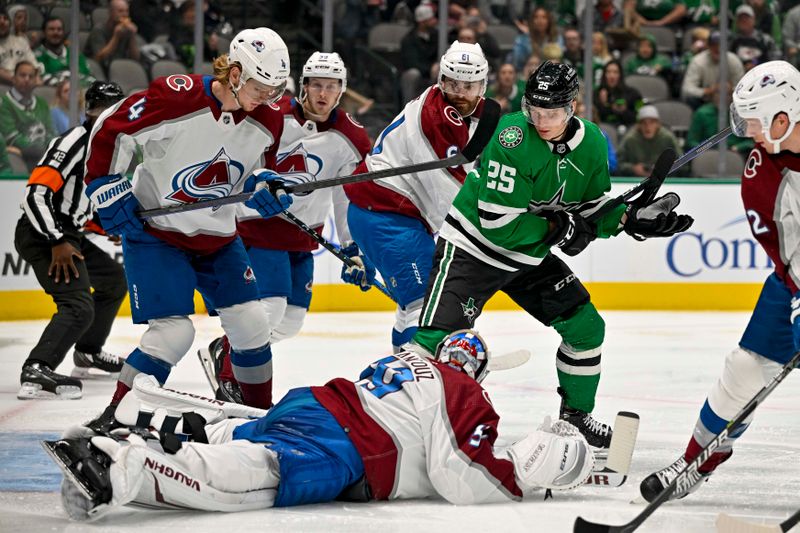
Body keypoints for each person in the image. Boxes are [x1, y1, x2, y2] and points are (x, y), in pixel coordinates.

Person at [410, 61, 693, 457]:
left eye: (553, 113)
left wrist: (630, 220)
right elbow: (496, 221)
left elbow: (591, 210)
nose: (542, 121)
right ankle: (394, 420)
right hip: (473, 249)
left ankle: (576, 417)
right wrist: (561, 229)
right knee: (433, 344)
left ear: (572, 107)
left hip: (528, 256)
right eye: (535, 111)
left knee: (586, 329)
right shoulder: (512, 136)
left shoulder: (592, 143)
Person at [48, 330, 596, 519]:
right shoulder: (463, 390)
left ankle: (149, 423)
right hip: (343, 443)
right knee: (256, 474)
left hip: (314, 402)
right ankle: (122, 464)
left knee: (252, 431)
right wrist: (527, 479)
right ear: (474, 370)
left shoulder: (404, 361)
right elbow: (464, 475)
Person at [82, 28, 292, 423]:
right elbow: (113, 127)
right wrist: (105, 184)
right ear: (234, 73)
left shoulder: (269, 119)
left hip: (218, 239)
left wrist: (266, 184)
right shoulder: (178, 97)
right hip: (157, 235)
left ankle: (258, 417)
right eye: (261, 87)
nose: (269, 98)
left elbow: (263, 167)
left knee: (252, 326)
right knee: (174, 334)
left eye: (275, 89)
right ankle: (116, 416)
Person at [640, 60, 800, 502]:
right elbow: (787, 256)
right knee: (745, 370)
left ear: (783, 117)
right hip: (795, 280)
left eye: (755, 124)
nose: (749, 135)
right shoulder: (761, 177)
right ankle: (696, 459)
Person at [204, 51, 372, 402]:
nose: (323, 94)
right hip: (259, 228)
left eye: (332, 87)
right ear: (304, 86)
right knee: (270, 308)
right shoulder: (272, 116)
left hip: (302, 235)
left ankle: (227, 346)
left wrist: (352, 247)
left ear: (341, 91)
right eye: (317, 85)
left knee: (290, 322)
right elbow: (238, 158)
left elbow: (344, 195)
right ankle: (231, 373)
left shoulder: (351, 138)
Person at [342, 40, 491, 352]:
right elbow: (447, 198)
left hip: (386, 213)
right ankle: (412, 383)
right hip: (386, 216)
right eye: (454, 84)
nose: (461, 94)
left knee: (413, 305)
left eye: (470, 85)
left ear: (483, 85)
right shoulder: (435, 120)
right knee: (424, 306)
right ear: (441, 82)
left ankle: (401, 374)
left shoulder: (447, 109)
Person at [14, 81, 127, 400]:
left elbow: (79, 204)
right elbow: (36, 194)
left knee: (115, 281)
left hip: (68, 234)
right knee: (78, 306)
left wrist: (108, 227)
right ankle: (37, 365)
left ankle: (87, 352)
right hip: (44, 235)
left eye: (115, 109)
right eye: (101, 110)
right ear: (89, 112)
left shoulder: (109, 146)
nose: (108, 116)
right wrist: (57, 240)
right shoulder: (74, 142)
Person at [0, 60, 56, 169]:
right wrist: (43, 150)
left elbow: (51, 131)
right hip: (23, 155)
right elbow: (11, 137)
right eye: (22, 75)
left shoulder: (42, 103)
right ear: (13, 78)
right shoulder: (4, 103)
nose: (27, 79)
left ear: (36, 80)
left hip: (44, 153)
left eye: (31, 76)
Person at [682, 31, 745, 109]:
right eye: (714, 45)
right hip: (706, 100)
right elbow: (687, 89)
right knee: (691, 99)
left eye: (721, 45)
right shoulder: (698, 61)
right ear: (708, 46)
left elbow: (743, 88)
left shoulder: (734, 60)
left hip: (729, 100)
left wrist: (730, 89)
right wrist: (709, 90)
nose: (717, 48)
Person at [617, 105, 683, 177]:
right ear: (638, 125)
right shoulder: (630, 139)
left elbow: (682, 162)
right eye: (644, 123)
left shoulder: (667, 138)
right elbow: (618, 163)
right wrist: (633, 168)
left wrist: (664, 169)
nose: (648, 127)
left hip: (664, 180)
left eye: (652, 122)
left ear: (658, 124)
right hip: (634, 179)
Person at [34, 16, 93, 87]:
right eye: (51, 29)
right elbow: (43, 79)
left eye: (59, 29)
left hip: (81, 92)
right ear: (44, 33)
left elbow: (88, 76)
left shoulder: (74, 53)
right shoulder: (38, 55)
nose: (56, 32)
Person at [84, 0, 141, 71]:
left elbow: (135, 59)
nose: (125, 15)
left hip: (118, 69)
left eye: (127, 11)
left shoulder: (126, 30)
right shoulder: (98, 30)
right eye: (120, 11)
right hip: (98, 70)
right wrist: (116, 37)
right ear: (110, 12)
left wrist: (132, 36)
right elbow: (100, 58)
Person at [399, 3, 439, 105]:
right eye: (430, 19)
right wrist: (430, 68)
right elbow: (412, 62)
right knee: (413, 74)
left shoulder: (436, 34)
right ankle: (408, 109)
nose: (434, 21)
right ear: (422, 22)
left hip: (434, 71)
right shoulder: (409, 39)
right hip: (416, 72)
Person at [730, 3, 779, 71]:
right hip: (739, 76)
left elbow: (776, 59)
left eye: (747, 18)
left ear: (754, 20)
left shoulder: (765, 39)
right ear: (737, 22)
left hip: (763, 75)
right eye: (741, 18)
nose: (744, 21)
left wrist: (757, 64)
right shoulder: (731, 41)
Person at [596, 60, 643, 128]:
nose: (612, 76)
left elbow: (639, 118)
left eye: (615, 72)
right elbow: (593, 119)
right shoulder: (596, 93)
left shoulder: (633, 93)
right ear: (604, 75)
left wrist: (624, 111)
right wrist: (604, 104)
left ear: (620, 75)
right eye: (608, 72)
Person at [0, 8, 40, 85]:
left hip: (26, 83)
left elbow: (34, 65)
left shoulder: (21, 41)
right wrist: (17, 80)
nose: (2, 22)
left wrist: (37, 80)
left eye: (5, 18)